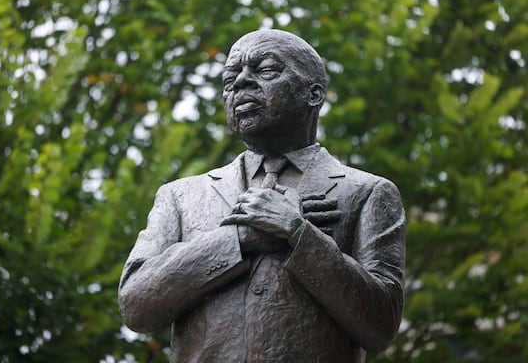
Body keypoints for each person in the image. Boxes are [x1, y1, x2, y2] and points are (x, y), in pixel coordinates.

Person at [118, 29, 406, 362]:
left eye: (265, 70)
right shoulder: (180, 196)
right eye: (230, 79)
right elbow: (135, 305)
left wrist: (299, 235)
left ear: (313, 94)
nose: (240, 84)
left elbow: (381, 327)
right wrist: (239, 239)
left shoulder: (367, 192)